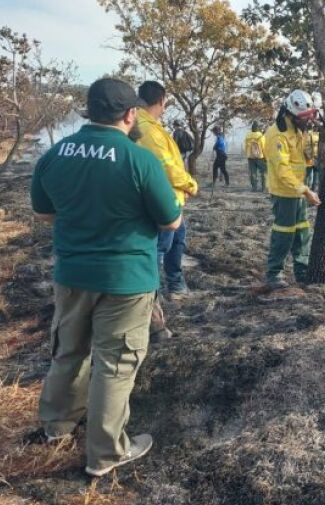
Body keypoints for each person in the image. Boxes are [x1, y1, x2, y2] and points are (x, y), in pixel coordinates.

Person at [30, 78, 182, 477]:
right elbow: (170, 220)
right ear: (131, 114)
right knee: (115, 365)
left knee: (68, 351)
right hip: (125, 280)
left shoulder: (55, 154)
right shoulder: (139, 160)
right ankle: (105, 453)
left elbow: (44, 214)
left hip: (71, 274)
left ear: (89, 112)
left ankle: (56, 426)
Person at [137, 81, 199, 305]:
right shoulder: (147, 130)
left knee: (177, 239)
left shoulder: (152, 126)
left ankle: (176, 284)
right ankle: (149, 296)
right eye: (165, 103)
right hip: (162, 199)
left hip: (172, 197)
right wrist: (190, 183)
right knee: (160, 246)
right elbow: (166, 167)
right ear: (161, 100)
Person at [264, 90, 322, 289]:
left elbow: (304, 159)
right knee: (284, 234)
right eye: (304, 118)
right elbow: (283, 171)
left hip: (298, 191)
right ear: (290, 113)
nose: (307, 121)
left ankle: (302, 272)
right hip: (284, 192)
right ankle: (274, 274)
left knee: (302, 233)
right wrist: (306, 191)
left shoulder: (299, 131)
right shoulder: (276, 135)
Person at [244, 121, 267, 192]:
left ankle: (254, 188)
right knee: (263, 172)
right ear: (258, 128)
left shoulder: (247, 136)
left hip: (250, 157)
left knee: (253, 173)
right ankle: (263, 188)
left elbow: (245, 147)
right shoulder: (261, 136)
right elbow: (264, 147)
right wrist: (266, 157)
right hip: (260, 157)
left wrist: (247, 154)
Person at [305, 126, 320, 192]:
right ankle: (307, 191)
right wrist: (310, 157)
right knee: (307, 176)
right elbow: (306, 147)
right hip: (310, 160)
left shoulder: (319, 134)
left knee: (315, 178)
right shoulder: (309, 134)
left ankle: (312, 192)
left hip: (316, 159)